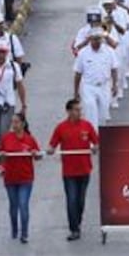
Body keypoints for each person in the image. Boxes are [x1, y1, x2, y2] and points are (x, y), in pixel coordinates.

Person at [48, 98, 99, 241]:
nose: (79, 112)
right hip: (69, 172)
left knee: (80, 201)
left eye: (80, 110)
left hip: (84, 170)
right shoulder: (61, 128)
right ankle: (74, 229)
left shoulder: (87, 126)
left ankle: (78, 222)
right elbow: (52, 144)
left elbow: (96, 142)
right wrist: (50, 150)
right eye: (76, 110)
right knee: (71, 200)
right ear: (69, 111)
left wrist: (95, 148)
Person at [0, 113, 42, 243]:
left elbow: (38, 156)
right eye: (13, 122)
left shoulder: (30, 139)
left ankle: (25, 233)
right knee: (13, 205)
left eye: (16, 122)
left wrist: (35, 153)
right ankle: (14, 228)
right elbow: (0, 155)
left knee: (23, 205)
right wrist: (3, 155)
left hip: (25, 178)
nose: (14, 125)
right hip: (10, 177)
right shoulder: (6, 138)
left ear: (22, 124)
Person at [73, 30, 118, 129]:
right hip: (89, 87)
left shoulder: (109, 51)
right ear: (90, 39)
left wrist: (115, 85)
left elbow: (114, 69)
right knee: (91, 113)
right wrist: (76, 92)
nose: (96, 42)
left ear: (102, 39)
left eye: (98, 39)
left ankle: (102, 139)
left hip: (104, 86)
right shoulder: (83, 53)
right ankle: (93, 141)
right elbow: (78, 73)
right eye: (94, 39)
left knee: (103, 116)